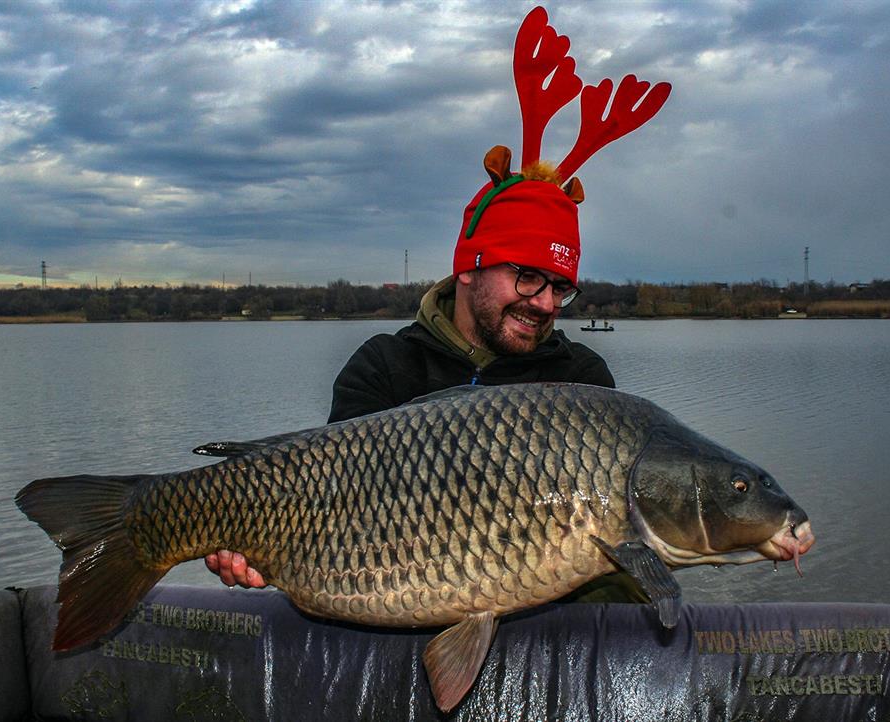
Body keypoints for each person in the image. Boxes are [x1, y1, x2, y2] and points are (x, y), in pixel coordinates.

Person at [206, 156, 616, 589]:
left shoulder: (582, 379)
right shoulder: (384, 366)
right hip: (395, 613)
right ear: (468, 269)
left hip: (542, 635)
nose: (545, 304)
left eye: (560, 287)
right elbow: (331, 508)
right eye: (528, 277)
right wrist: (268, 550)